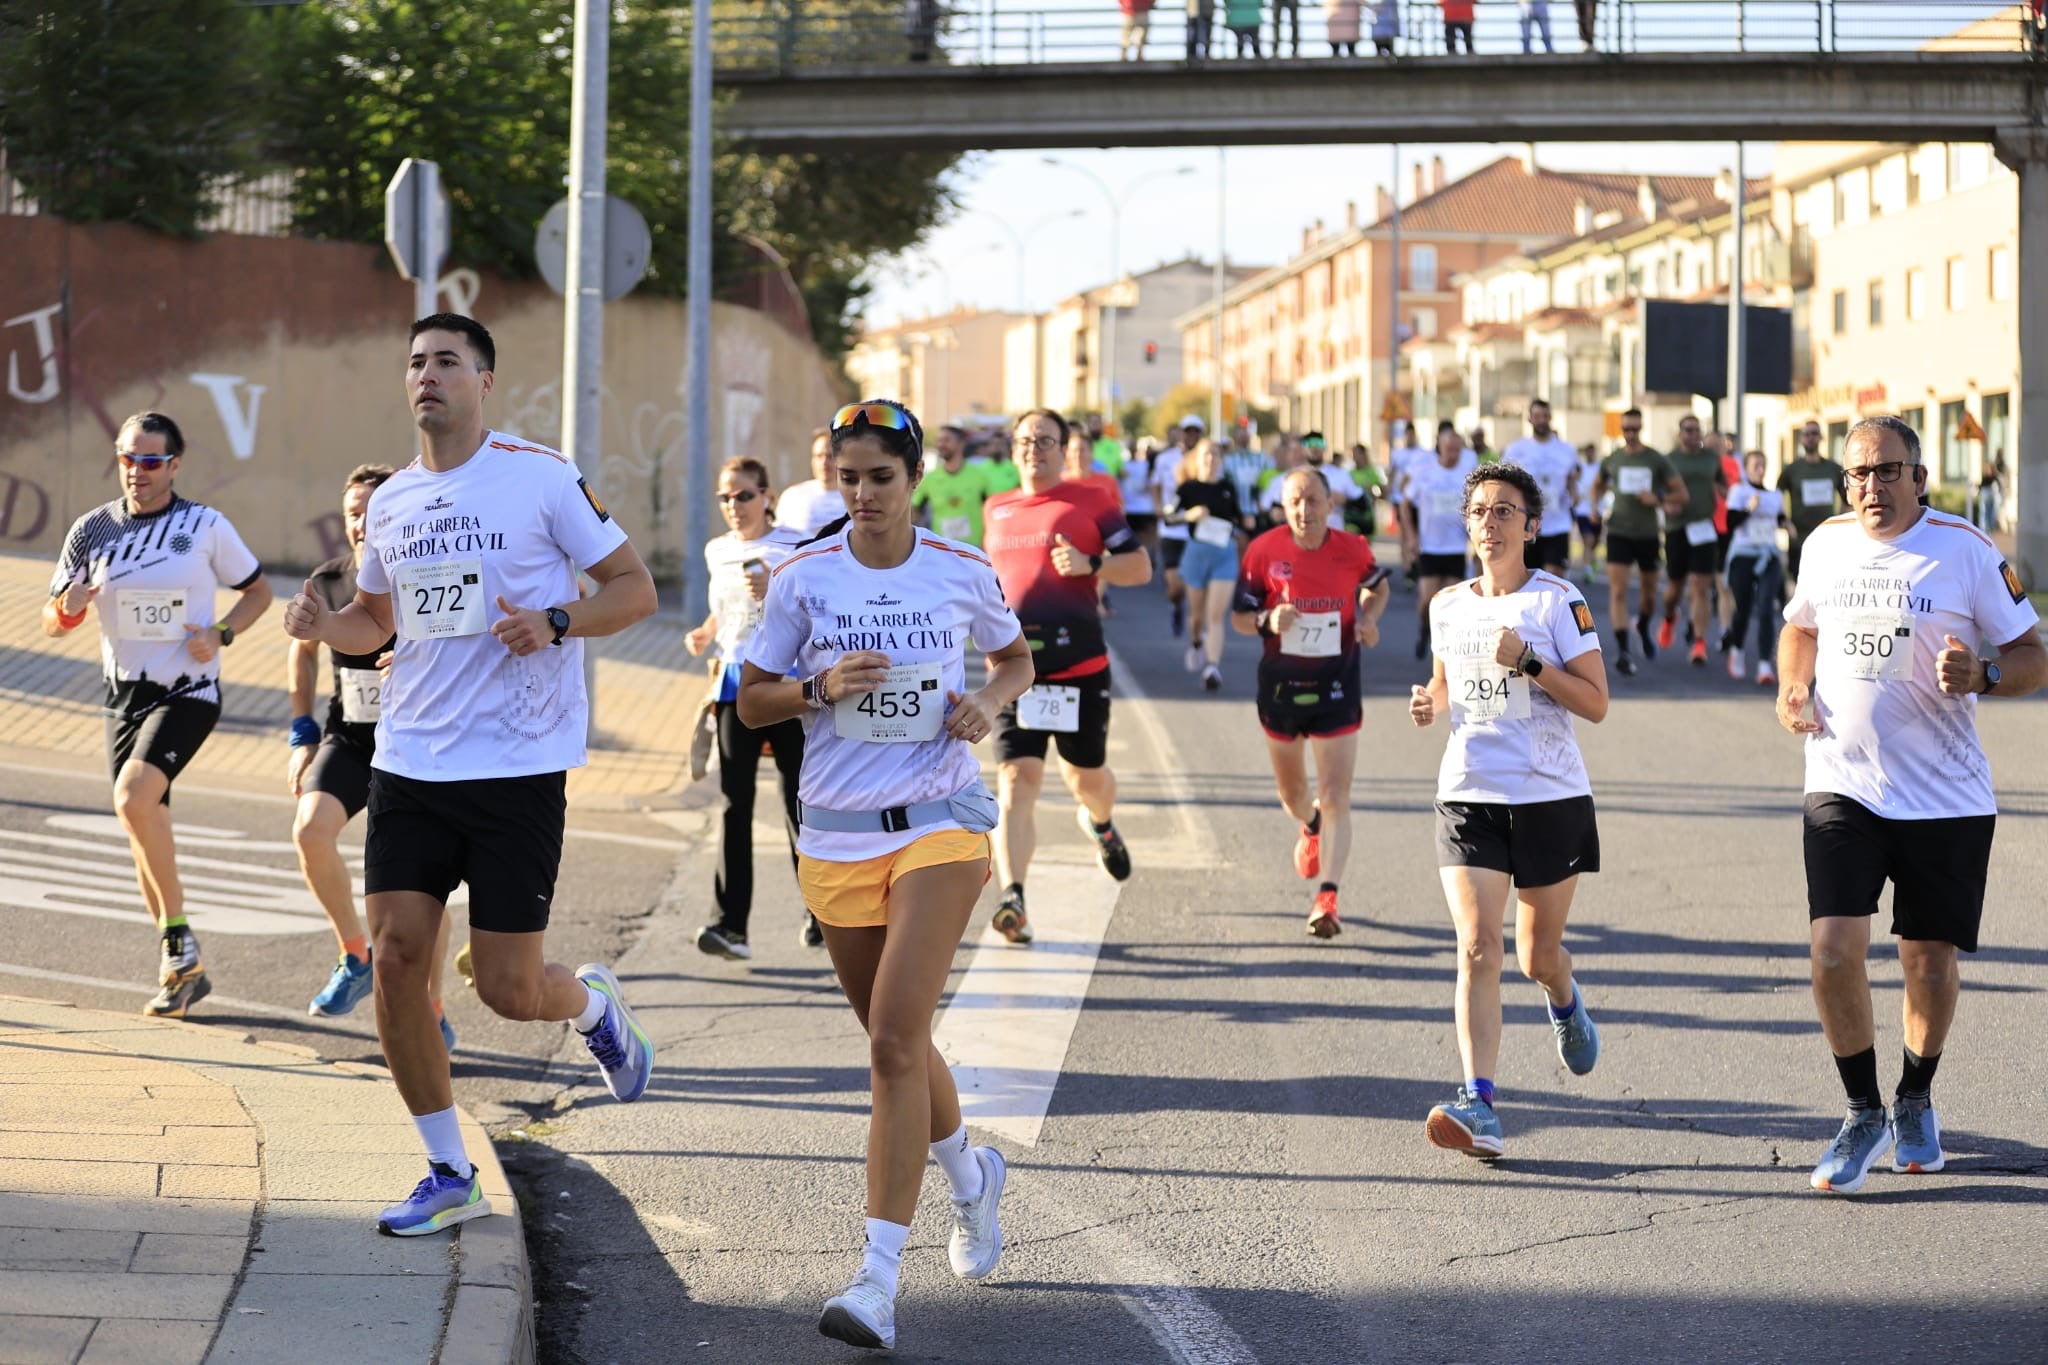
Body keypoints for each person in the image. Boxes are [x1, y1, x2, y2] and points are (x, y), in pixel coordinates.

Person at [280, 313, 658, 1236]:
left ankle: (594, 1004)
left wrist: (558, 621)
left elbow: (633, 589)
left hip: (516, 768)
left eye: (447, 360)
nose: (427, 375)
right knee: (400, 960)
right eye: (414, 361)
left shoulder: (539, 475)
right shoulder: (397, 501)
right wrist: (323, 630)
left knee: (508, 990)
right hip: (409, 762)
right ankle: (449, 1168)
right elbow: (378, 621)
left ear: (484, 381)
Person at [739, 399, 1034, 1351]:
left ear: (915, 480)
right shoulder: (801, 577)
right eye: (849, 477)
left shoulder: (956, 569)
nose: (863, 494)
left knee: (892, 1045)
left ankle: (876, 1278)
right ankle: (971, 1178)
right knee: (899, 1043)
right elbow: (749, 702)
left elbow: (1016, 657)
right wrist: (816, 690)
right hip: (833, 839)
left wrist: (987, 701)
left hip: (940, 827)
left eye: (882, 478)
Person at [1774, 415, 2044, 1194]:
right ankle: (1862, 1111)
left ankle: (1915, 1094)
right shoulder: (1825, 544)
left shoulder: (1966, 550)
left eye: (1888, 471)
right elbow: (1801, 630)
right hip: (1843, 781)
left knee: (1927, 961)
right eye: (1858, 474)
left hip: (1946, 796)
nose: (1872, 487)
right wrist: (1794, 685)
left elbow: (2033, 656)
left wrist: (1985, 676)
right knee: (1832, 948)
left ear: (1918, 476)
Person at [42, 411, 275, 1018]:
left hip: (187, 692)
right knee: (144, 826)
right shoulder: (90, 530)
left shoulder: (203, 525)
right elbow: (53, 619)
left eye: (150, 461)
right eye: (128, 459)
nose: (137, 472)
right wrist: (67, 609)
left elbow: (259, 593)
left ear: (174, 464)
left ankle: (177, 941)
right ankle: (182, 970)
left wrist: (221, 633)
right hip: (121, 699)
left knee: (132, 798)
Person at [1410, 462, 1608, 1159]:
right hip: (1469, 793)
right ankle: (1482, 1103)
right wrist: (1430, 702)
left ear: (1531, 525)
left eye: (1505, 511)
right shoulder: (1446, 606)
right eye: (1480, 511)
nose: (1490, 522)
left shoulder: (1558, 601)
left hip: (1549, 797)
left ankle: (1564, 997)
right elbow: (1442, 683)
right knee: (1476, 946)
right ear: (1465, 525)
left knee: (1536, 954)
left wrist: (1528, 661)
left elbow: (1596, 702)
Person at [292, 464, 456, 1046]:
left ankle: (433, 1008)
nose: (360, 522)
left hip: (416, 746)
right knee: (310, 829)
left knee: (426, 888)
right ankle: (354, 956)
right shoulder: (330, 580)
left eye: (371, 510)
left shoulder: (430, 572)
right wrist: (301, 733)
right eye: (352, 512)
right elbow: (305, 654)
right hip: (352, 740)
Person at [984, 408, 1150, 943]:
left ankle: (1099, 823)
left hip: (1079, 666)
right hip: (1015, 670)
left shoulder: (1094, 503)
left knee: (1087, 781)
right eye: (1025, 440)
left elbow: (1141, 566)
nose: (1034, 448)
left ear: (1064, 448)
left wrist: (1093, 565)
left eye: (1046, 440)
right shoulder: (997, 508)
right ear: (1013, 450)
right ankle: (1015, 897)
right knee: (1016, 781)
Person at [1233, 467, 1390, 937]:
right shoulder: (1263, 550)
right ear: (1283, 506)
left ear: (1330, 503)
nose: (1305, 510)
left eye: (1314, 500)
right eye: (1295, 501)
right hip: (1281, 689)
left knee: (1338, 792)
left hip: (1338, 684)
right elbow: (1240, 618)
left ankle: (1328, 896)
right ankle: (1310, 821)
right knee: (1294, 795)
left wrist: (1367, 618)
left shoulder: (1352, 548)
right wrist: (1266, 619)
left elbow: (1377, 586)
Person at [686, 457, 814, 960]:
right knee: (734, 804)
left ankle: (824, 914)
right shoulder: (716, 550)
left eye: (743, 496)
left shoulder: (794, 546)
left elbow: (811, 609)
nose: (733, 506)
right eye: (724, 497)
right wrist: (705, 632)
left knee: (798, 801)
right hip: (735, 683)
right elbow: (724, 609)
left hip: (784, 684)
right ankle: (730, 926)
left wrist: (775, 589)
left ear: (767, 496)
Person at [1591, 408, 1684, 677]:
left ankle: (1643, 624)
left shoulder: (1655, 459)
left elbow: (1681, 494)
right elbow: (1597, 484)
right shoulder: (1613, 459)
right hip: (1619, 531)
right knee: (1618, 592)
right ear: (1621, 429)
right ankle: (1623, 650)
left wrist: (1658, 500)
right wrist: (1595, 507)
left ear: (1641, 428)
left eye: (1635, 429)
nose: (1630, 434)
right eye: (1626, 429)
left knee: (1648, 596)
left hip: (1647, 534)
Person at [1167, 437, 1246, 690]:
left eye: (1215, 455)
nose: (1211, 460)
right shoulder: (1187, 488)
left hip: (1224, 553)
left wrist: (1246, 525)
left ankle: (1212, 668)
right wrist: (1188, 515)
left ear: (1221, 460)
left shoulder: (1228, 487)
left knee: (1215, 615)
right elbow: (1168, 517)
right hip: (1196, 554)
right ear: (1198, 460)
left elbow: (1239, 517)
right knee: (1197, 616)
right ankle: (1195, 642)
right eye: (1206, 455)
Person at [1654, 414, 1727, 667]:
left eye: (1696, 430)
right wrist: (1666, 504)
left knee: (1700, 585)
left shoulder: (1711, 458)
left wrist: (1723, 491)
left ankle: (1699, 643)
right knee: (1674, 587)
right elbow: (1658, 490)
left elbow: (1722, 482)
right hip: (1677, 528)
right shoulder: (1669, 460)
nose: (1692, 434)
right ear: (1680, 432)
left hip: (1704, 528)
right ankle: (1670, 616)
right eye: (1687, 430)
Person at [1402, 424, 1478, 659]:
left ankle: (1446, 649)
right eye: (1448, 449)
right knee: (1428, 601)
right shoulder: (1425, 474)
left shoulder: (1468, 477)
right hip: (1430, 547)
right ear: (1440, 447)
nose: (1453, 454)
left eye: (1457, 449)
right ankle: (1425, 630)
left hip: (1455, 547)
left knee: (1453, 603)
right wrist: (1412, 536)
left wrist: (1474, 539)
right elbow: (1405, 504)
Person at [1721, 449, 1785, 687]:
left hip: (1768, 556)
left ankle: (1764, 665)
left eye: (1763, 464)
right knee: (1744, 609)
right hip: (1744, 556)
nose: (1760, 469)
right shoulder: (1739, 492)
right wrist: (1748, 509)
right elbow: (1729, 524)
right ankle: (1736, 649)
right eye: (1755, 465)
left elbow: (1778, 518)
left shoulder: (1774, 495)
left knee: (1767, 607)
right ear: (1746, 468)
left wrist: (1786, 524)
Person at [1502, 398, 1578, 574]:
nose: (1542, 421)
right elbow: (1506, 486)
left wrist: (1574, 495)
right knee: (1527, 581)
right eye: (1537, 416)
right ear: (1529, 418)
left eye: (1545, 416)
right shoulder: (1516, 450)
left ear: (1550, 417)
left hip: (1557, 524)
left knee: (1554, 580)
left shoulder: (1566, 450)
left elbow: (1571, 481)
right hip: (1525, 525)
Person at [1776, 419, 1845, 585]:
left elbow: (1848, 498)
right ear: (1800, 439)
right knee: (1800, 585)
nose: (1810, 438)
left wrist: (1840, 523)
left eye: (1814, 433)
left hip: (1826, 538)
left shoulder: (1833, 468)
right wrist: (1785, 523)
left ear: (1821, 437)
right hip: (1799, 539)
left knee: (1827, 583)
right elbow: (1775, 499)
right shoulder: (1792, 470)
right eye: (1806, 434)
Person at [1153, 416, 1206, 635]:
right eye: (1188, 431)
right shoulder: (1166, 458)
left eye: (1196, 432)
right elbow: (1155, 485)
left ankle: (1197, 623)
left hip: (1198, 531)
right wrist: (1157, 506)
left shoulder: (1207, 458)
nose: (1191, 436)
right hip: (1172, 527)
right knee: (1175, 585)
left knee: (1197, 583)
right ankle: (1176, 605)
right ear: (1181, 433)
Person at [912, 423, 997, 548]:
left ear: (961, 444)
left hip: (973, 551)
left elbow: (992, 510)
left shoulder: (979, 476)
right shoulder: (930, 478)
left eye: (946, 440)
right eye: (939, 441)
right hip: (941, 551)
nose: (941, 445)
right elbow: (914, 511)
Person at [776, 428, 844, 539]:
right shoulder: (792, 496)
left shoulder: (856, 497)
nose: (824, 462)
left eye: (830, 456)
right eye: (818, 456)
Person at [1084, 411, 1127, 477]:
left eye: (1097, 422)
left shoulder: (1112, 444)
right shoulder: (1083, 445)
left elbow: (1120, 467)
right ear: (1087, 424)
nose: (1095, 425)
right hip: (1088, 484)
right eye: (1092, 422)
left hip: (1109, 485)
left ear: (1102, 424)